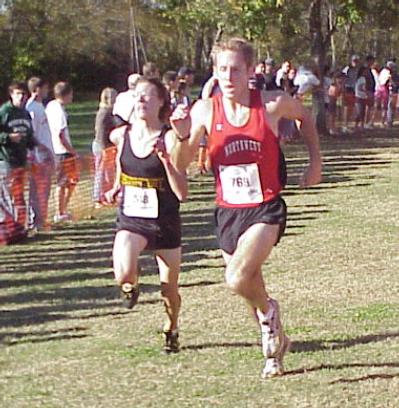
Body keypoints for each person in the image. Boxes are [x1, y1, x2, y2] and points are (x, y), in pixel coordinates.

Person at [171, 38, 322, 378]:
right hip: (228, 211)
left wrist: (315, 162)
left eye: (235, 69)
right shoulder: (205, 110)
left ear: (250, 71)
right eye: (221, 69)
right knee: (249, 286)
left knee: (236, 277)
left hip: (265, 207)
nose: (228, 76)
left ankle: (270, 315)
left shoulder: (271, 104)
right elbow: (181, 163)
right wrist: (181, 136)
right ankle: (275, 345)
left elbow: (305, 118)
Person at [105, 78, 187, 353]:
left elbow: (182, 192)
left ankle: (171, 328)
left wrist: (166, 160)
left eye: (147, 97)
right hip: (132, 218)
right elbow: (121, 161)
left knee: (169, 289)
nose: (140, 101)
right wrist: (117, 185)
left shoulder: (169, 138)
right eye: (137, 96)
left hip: (164, 220)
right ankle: (133, 283)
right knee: (123, 273)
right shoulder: (121, 135)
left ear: (161, 102)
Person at [0, 81, 36, 241]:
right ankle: (9, 229)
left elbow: (29, 136)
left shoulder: (25, 113)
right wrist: (8, 137)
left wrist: (34, 149)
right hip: (6, 160)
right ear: (11, 95)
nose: (21, 97)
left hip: (21, 161)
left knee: (19, 196)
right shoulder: (4, 112)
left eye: (23, 94)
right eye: (18, 94)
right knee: (8, 196)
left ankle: (19, 228)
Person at [46, 81, 78, 223]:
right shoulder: (58, 110)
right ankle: (59, 212)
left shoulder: (51, 106)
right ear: (66, 94)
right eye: (71, 94)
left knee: (71, 182)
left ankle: (63, 210)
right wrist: (72, 151)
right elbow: (60, 135)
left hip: (57, 150)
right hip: (62, 152)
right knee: (62, 183)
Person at [26, 77, 54, 232]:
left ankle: (41, 219)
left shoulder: (39, 106)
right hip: (39, 156)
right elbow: (33, 133)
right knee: (37, 189)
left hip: (46, 153)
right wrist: (40, 152)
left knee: (45, 189)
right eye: (44, 88)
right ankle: (35, 221)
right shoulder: (31, 108)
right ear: (36, 89)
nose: (47, 91)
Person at [92, 87, 117, 207]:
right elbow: (100, 132)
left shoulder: (110, 112)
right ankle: (97, 198)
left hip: (108, 146)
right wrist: (104, 149)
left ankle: (106, 195)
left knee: (108, 173)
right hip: (102, 146)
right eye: (113, 97)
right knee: (100, 172)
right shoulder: (103, 113)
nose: (115, 100)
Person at [342, 54, 361, 133]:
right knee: (347, 107)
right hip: (347, 88)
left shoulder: (357, 70)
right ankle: (345, 125)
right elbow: (342, 79)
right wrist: (342, 90)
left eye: (357, 61)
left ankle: (347, 124)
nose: (355, 63)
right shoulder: (347, 69)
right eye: (354, 61)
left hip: (354, 89)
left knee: (351, 107)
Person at [363, 55, 376, 129]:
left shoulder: (370, 70)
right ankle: (365, 122)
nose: (373, 62)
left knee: (370, 106)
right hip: (367, 90)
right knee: (367, 107)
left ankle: (367, 122)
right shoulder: (365, 70)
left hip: (371, 90)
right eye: (372, 61)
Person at [354, 66, 368, 130]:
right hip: (360, 96)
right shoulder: (362, 79)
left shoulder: (359, 78)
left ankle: (360, 125)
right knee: (360, 112)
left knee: (361, 111)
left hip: (360, 96)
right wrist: (366, 92)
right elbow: (361, 87)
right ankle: (358, 125)